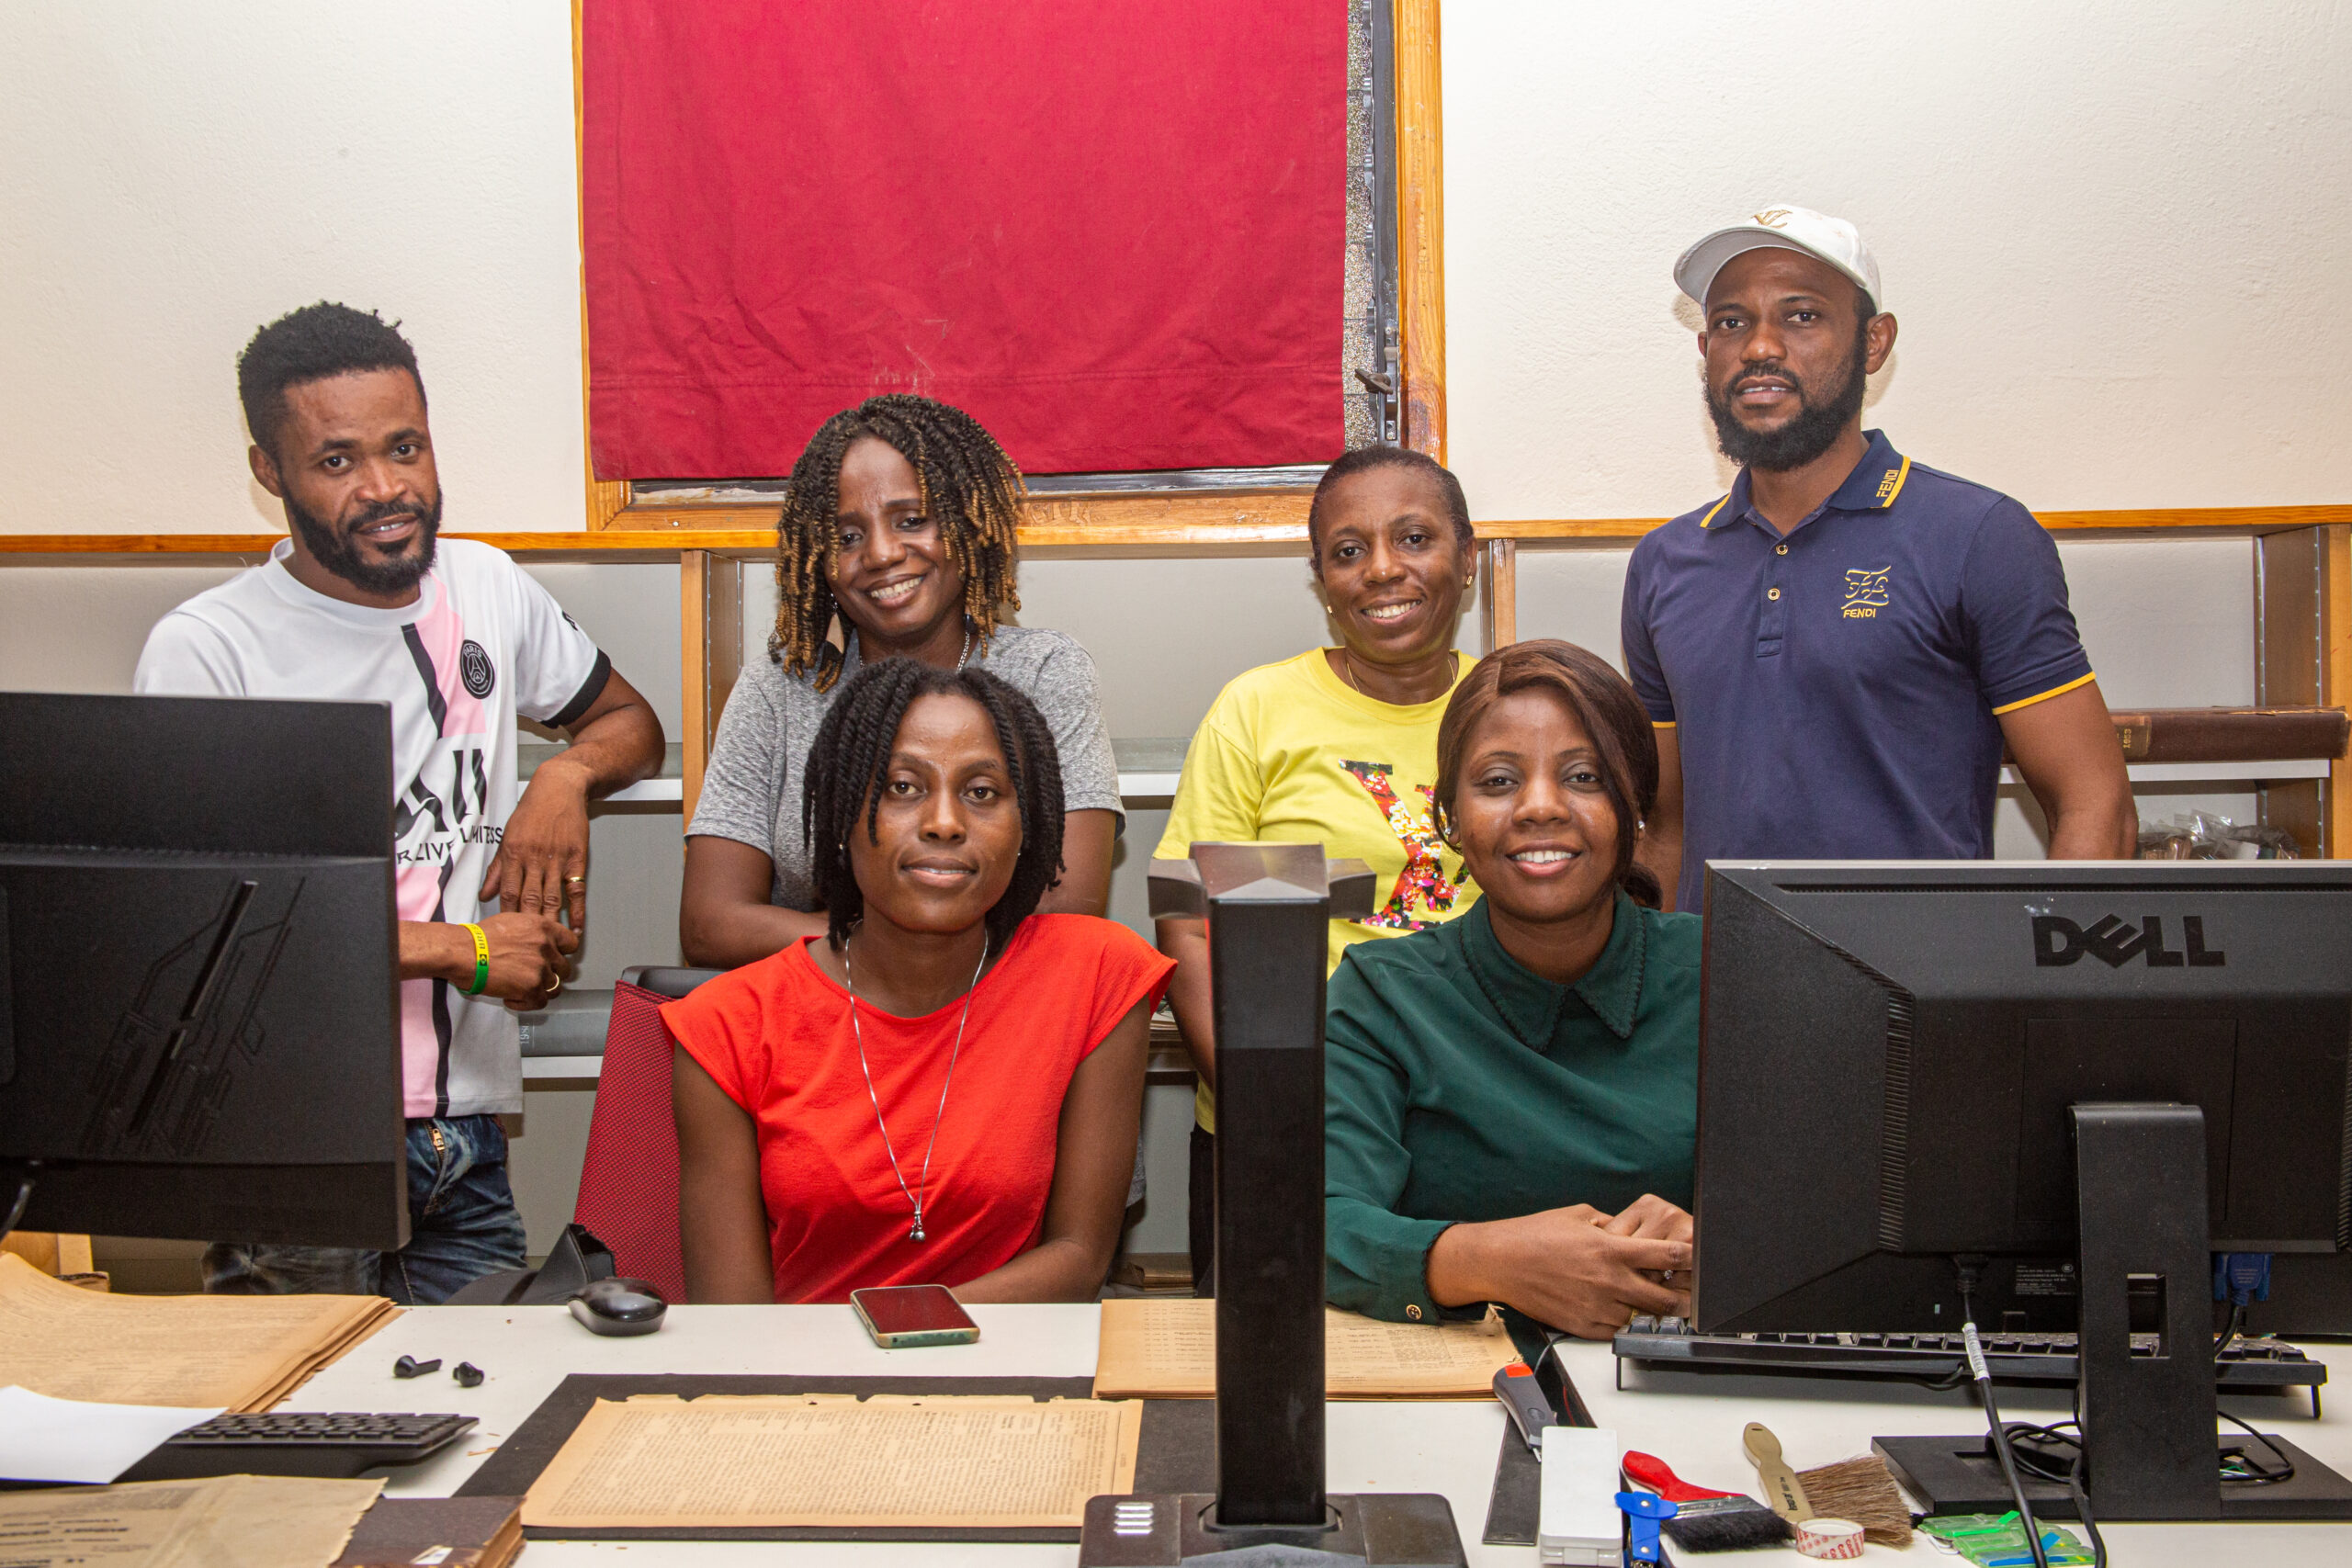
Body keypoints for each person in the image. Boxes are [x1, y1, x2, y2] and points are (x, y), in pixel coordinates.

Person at [133, 302, 665, 1302]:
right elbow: (198, 931)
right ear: (269, 473)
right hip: (295, 1139)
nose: (386, 489)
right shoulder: (208, 648)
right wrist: (467, 951)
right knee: (306, 1434)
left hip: (463, 1131)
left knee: (488, 1416)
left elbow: (626, 722)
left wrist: (560, 777)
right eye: (336, 461)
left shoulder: (487, 586)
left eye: (404, 447)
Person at [1623, 206, 2137, 913]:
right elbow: (1667, 827)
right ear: (1706, 348)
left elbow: (2095, 803)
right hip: (1716, 1001)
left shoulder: (1978, 535)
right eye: (1733, 323)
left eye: (1801, 317)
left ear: (1874, 341)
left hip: (1918, 1003)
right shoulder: (1663, 564)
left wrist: (2028, 995)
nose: (1760, 347)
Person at [666, 660, 1171, 1303]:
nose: (944, 821)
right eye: (903, 786)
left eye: (982, 791)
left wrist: (896, 1324)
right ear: (843, 817)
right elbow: (735, 1319)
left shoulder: (1097, 974)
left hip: (1013, 1374)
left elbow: (1077, 1258)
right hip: (804, 1386)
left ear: (1027, 831)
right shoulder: (727, 1023)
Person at [1156, 445, 1482, 1293]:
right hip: (1276, 1123)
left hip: (1472, 1124)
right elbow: (1189, 929)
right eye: (1348, 551)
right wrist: (1274, 1108)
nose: (1382, 570)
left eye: (1413, 538)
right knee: (1266, 1396)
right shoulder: (1255, 712)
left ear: (1467, 558)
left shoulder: (1511, 709)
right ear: (1320, 577)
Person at [1324, 640, 1695, 1348]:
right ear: (1450, 820)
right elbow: (1315, 1220)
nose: (1540, 807)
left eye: (1583, 776)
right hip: (1454, 1400)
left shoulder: (1721, 975)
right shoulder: (1382, 996)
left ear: (1634, 805)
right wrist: (1485, 1261)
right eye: (1498, 781)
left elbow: (1836, 1218)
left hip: (1688, 1399)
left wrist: (1720, 1255)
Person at [680, 394, 1121, 968]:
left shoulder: (1043, 672)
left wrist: (878, 945)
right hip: (820, 1020)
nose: (882, 554)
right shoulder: (781, 686)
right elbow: (712, 926)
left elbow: (1069, 908)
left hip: (996, 1012)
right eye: (846, 537)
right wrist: (888, 951)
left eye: (913, 521)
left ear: (968, 525)